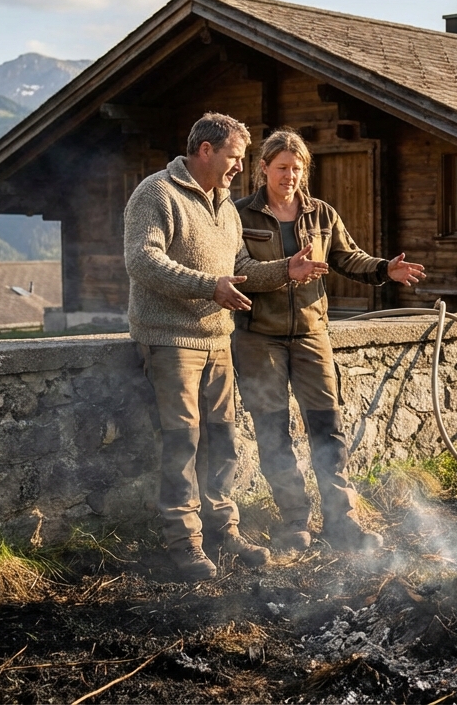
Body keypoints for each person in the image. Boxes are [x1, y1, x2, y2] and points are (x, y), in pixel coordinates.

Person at [233, 128, 426, 555]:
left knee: (327, 428)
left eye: (297, 169)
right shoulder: (240, 213)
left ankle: (342, 521)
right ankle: (294, 522)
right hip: (257, 338)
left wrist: (383, 269)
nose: (290, 176)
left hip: (310, 335)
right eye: (282, 168)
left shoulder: (321, 213)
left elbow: (346, 256)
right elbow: (238, 267)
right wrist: (288, 269)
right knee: (273, 433)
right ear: (263, 168)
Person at [124, 112, 293, 581]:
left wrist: (284, 270)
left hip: (219, 339)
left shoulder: (225, 204)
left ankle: (224, 531)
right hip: (169, 340)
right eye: (235, 157)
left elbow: (239, 267)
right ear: (205, 150)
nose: (241, 166)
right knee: (182, 441)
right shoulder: (156, 193)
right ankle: (185, 544)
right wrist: (208, 287)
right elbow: (142, 260)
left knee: (222, 439)